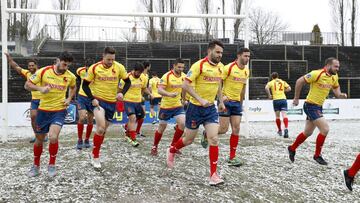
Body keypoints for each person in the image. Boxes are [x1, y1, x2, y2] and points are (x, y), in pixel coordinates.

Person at [166, 40, 226, 186]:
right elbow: (185, 85)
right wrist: (200, 99)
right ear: (209, 51)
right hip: (195, 108)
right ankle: (172, 149)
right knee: (188, 140)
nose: (220, 55)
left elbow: (218, 84)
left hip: (210, 109)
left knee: (214, 139)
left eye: (221, 53)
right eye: (217, 52)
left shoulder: (220, 68)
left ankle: (213, 175)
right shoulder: (198, 65)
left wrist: (220, 101)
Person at [25, 51, 76, 177]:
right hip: (43, 111)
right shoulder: (44, 71)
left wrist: (69, 99)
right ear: (57, 60)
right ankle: (36, 165)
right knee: (39, 139)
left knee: (53, 137)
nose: (66, 68)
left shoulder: (70, 76)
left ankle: (51, 164)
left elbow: (73, 87)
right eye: (64, 64)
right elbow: (27, 85)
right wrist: (41, 89)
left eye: (68, 66)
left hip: (59, 110)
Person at [288, 57, 347, 165]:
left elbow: (337, 92)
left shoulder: (334, 77)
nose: (337, 69)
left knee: (308, 132)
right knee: (325, 129)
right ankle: (317, 155)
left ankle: (292, 148)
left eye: (338, 67)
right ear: (328, 65)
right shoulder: (317, 74)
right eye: (336, 66)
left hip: (318, 107)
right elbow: (299, 81)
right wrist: (296, 98)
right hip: (310, 105)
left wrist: (341, 95)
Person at [82, 47, 130, 170]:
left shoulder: (119, 67)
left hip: (112, 102)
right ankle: (96, 156)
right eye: (108, 59)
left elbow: (128, 82)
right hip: (99, 102)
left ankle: (94, 150)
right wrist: (92, 98)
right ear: (103, 56)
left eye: (112, 59)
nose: (110, 62)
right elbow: (85, 85)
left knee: (103, 130)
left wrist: (122, 93)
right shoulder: (94, 68)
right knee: (101, 127)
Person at [201, 48, 250, 167]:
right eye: (245, 56)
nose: (247, 58)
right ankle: (206, 133)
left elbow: (243, 88)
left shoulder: (246, 71)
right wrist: (221, 98)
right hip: (226, 102)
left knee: (236, 128)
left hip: (237, 103)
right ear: (238, 56)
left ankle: (232, 157)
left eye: (248, 56)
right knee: (223, 129)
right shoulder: (229, 68)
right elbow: (218, 81)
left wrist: (241, 102)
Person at [4, 53, 48, 143]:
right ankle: (37, 135)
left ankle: (45, 135)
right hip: (35, 100)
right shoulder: (27, 73)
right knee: (33, 117)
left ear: (36, 66)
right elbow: (16, 67)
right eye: (29, 66)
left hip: (44, 100)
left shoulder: (42, 73)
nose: (31, 67)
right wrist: (10, 59)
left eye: (32, 65)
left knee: (43, 119)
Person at [151, 58, 186, 156]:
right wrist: (169, 94)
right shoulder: (166, 76)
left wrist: (184, 99)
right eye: (179, 67)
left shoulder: (184, 76)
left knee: (182, 124)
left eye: (182, 67)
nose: (181, 69)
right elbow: (159, 90)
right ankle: (154, 146)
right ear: (174, 66)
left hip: (178, 106)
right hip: (166, 106)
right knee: (162, 127)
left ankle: (173, 146)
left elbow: (184, 88)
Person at [121, 62, 152, 147]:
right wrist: (119, 96)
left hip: (137, 102)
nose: (139, 74)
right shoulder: (126, 77)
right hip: (128, 101)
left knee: (141, 117)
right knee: (133, 118)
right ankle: (133, 138)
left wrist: (150, 94)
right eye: (138, 72)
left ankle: (127, 132)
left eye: (141, 73)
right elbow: (119, 88)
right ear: (134, 70)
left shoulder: (143, 78)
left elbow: (144, 87)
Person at [75, 58, 95, 150]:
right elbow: (78, 76)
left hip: (92, 98)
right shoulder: (80, 70)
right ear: (85, 67)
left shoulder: (97, 72)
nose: (89, 69)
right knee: (82, 117)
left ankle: (87, 139)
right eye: (87, 67)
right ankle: (79, 139)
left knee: (90, 120)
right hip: (82, 96)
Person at [265, 72, 291, 138]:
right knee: (284, 115)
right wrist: (282, 91)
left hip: (276, 100)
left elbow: (266, 88)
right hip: (283, 99)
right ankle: (286, 128)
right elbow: (289, 88)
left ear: (272, 77)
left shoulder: (271, 82)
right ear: (278, 76)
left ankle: (279, 130)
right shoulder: (282, 81)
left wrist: (269, 95)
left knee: (277, 116)